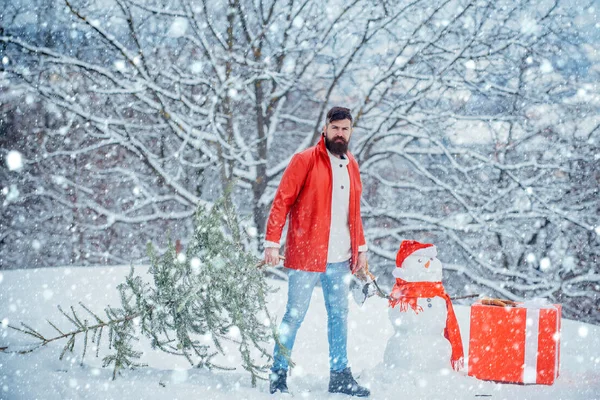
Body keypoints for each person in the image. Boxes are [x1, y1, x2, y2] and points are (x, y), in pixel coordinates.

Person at [263, 106, 370, 397]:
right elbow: (282, 201)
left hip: (340, 259)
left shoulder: (352, 165)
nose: (340, 133)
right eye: (335, 128)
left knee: (339, 316)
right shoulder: (305, 160)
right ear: (325, 129)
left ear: (350, 132)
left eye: (345, 129)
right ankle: (278, 374)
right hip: (307, 255)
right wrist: (272, 243)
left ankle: (339, 376)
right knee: (293, 317)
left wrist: (360, 249)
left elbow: (354, 212)